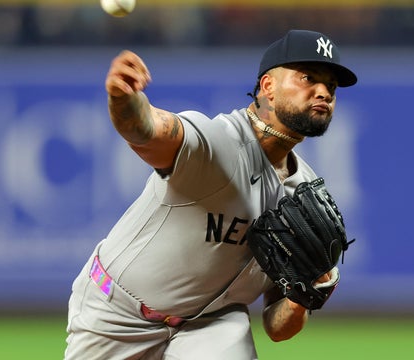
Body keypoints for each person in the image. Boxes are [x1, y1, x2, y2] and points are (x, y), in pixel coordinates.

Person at [65, 29, 358, 359]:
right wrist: (123, 101)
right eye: (308, 78)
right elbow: (146, 128)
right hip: (117, 313)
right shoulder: (217, 143)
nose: (323, 92)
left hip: (210, 324)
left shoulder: (305, 192)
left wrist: (305, 294)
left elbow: (277, 328)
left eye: (331, 86)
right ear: (268, 87)